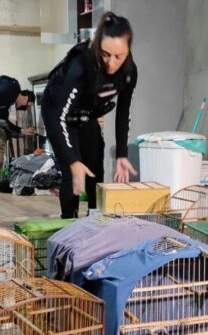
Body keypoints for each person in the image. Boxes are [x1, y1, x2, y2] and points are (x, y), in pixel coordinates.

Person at [41, 12, 138, 218]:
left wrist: (122, 153)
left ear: (128, 50)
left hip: (86, 113)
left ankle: (95, 220)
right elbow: (60, 116)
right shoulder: (81, 65)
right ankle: (68, 224)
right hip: (58, 110)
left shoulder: (129, 72)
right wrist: (73, 161)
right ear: (97, 48)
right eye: (105, 54)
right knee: (73, 172)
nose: (111, 63)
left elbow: (123, 113)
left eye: (118, 56)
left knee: (95, 169)